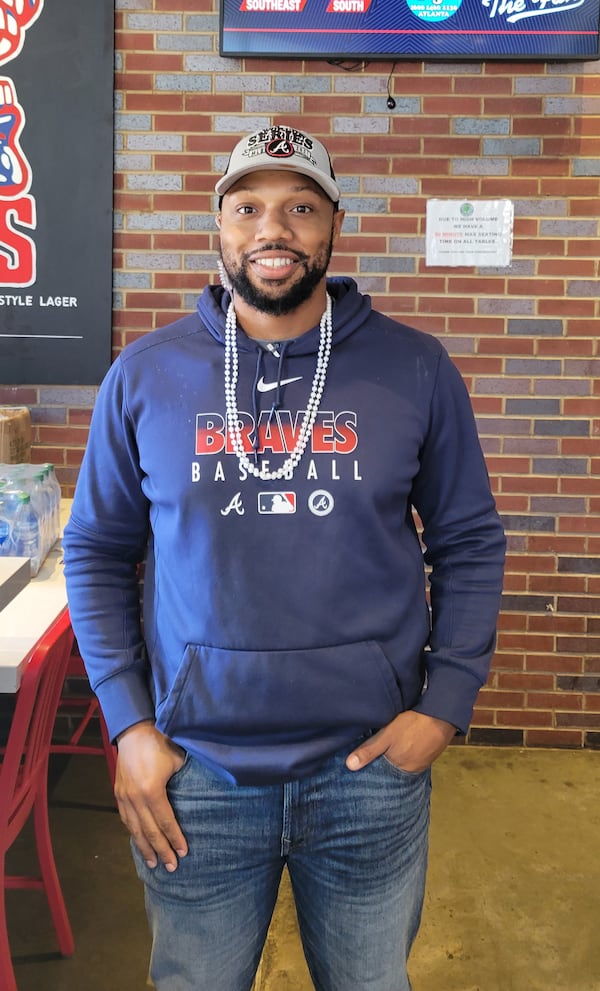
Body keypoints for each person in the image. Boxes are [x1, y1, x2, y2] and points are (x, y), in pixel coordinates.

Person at [63, 123, 506, 991]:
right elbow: (96, 547)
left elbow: (469, 540)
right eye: (249, 207)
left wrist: (444, 707)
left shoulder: (412, 368)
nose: (275, 227)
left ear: (334, 225)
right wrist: (129, 726)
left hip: (368, 770)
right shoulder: (146, 375)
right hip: (197, 774)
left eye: (301, 207)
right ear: (219, 228)